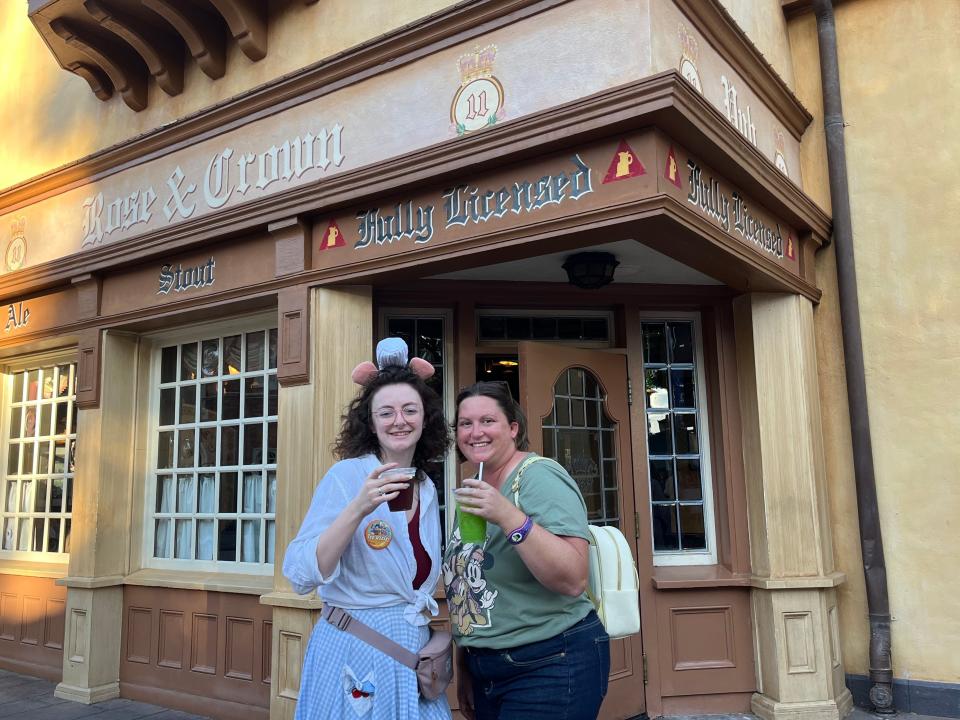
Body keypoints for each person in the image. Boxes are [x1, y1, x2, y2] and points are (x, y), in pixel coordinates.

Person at [283, 338, 452, 720]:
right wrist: (359, 507)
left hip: (412, 654)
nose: (399, 421)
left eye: (410, 410)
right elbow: (300, 572)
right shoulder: (347, 477)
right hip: (355, 648)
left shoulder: (424, 484)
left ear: (425, 418)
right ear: (371, 423)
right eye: (386, 412)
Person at [442, 381, 610, 720]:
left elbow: (573, 577)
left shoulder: (538, 476)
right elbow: (471, 583)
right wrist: (466, 662)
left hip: (550, 661)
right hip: (487, 669)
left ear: (513, 428)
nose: (475, 432)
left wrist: (506, 514)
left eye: (488, 421)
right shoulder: (476, 487)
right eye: (465, 423)